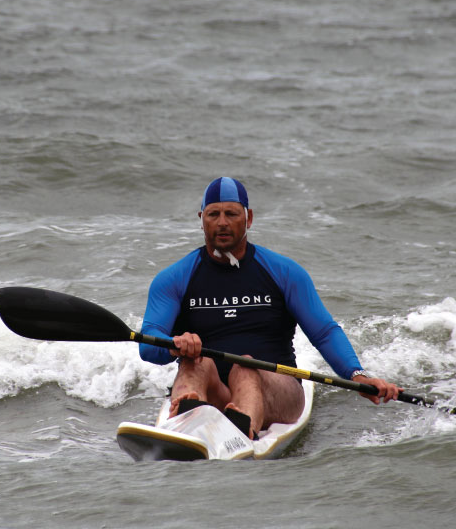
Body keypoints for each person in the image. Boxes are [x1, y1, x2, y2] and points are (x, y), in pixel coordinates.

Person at [139, 176, 402, 439]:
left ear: (248, 218)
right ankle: (185, 423)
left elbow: (324, 332)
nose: (221, 222)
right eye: (213, 214)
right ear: (201, 219)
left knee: (245, 367)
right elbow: (149, 341)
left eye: (231, 214)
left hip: (279, 390)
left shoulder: (284, 272)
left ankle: (241, 432)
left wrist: (357, 375)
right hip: (214, 389)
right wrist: (174, 343)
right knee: (195, 361)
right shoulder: (174, 278)